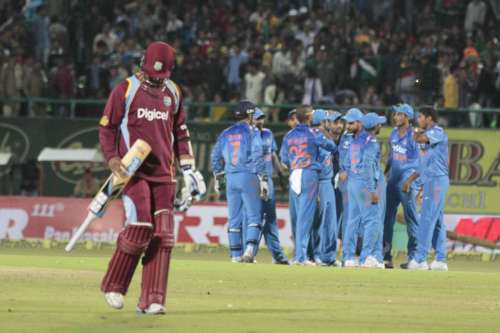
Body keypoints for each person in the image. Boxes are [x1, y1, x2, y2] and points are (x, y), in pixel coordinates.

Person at [98, 41, 206, 315]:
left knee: (164, 235)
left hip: (165, 174)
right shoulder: (125, 89)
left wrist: (189, 169)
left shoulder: (174, 92)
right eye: (152, 74)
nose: (156, 80)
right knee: (140, 227)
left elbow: (181, 132)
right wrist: (112, 159)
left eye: (161, 76)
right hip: (133, 173)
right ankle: (114, 285)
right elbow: (108, 128)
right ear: (142, 65)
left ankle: (152, 299)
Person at [210, 100, 268, 264]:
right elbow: (257, 154)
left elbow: (215, 156)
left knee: (234, 217)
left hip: (231, 177)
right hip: (247, 175)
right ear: (249, 115)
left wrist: (218, 175)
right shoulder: (253, 131)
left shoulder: (226, 132)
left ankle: (235, 255)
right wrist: (263, 177)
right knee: (253, 215)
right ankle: (249, 251)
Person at [280, 105, 336, 265]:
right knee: (305, 219)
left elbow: (284, 159)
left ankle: (299, 254)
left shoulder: (289, 135)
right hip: (308, 174)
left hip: (294, 174)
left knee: (297, 218)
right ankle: (301, 257)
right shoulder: (314, 133)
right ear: (309, 117)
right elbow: (331, 147)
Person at [405, 107, 450, 271]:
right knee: (437, 221)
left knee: (426, 218)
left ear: (429, 118)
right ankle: (440, 259)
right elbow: (423, 165)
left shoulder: (437, 131)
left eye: (421, 117)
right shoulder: (425, 137)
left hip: (437, 181)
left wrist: (414, 132)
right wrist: (417, 182)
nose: (418, 119)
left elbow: (420, 138)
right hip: (430, 181)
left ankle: (420, 259)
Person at [343, 111, 386, 268]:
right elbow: (368, 166)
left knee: (353, 221)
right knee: (372, 220)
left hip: (353, 181)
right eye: (379, 123)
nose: (381, 125)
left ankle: (347, 257)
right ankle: (366, 257)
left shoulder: (354, 140)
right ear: (375, 126)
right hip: (364, 184)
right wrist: (372, 190)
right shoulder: (371, 142)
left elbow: (347, 162)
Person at [383, 104, 420, 269]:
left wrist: (409, 181)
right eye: (395, 114)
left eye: (399, 114)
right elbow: (391, 156)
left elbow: (421, 163)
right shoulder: (393, 133)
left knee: (411, 218)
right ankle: (386, 256)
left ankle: (414, 257)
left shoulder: (415, 136)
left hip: (406, 181)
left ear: (407, 117)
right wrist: (385, 173)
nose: (395, 117)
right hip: (392, 180)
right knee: (387, 218)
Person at [250, 109, 289, 264]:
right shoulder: (247, 136)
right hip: (253, 182)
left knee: (270, 218)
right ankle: (249, 252)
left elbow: (273, 156)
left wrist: (280, 176)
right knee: (254, 218)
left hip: (268, 182)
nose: (260, 122)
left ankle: (277, 255)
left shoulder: (268, 134)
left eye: (262, 119)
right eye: (257, 119)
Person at [310, 109, 338, 266]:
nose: (331, 124)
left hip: (327, 182)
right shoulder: (314, 138)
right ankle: (317, 254)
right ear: (323, 122)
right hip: (318, 182)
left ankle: (328, 256)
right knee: (319, 222)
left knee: (330, 223)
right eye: (328, 121)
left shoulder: (325, 137)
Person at [337, 108, 363, 266]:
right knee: (349, 219)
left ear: (360, 123)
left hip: (362, 182)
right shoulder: (346, 137)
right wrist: (343, 170)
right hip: (348, 183)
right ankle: (347, 255)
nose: (347, 125)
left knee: (363, 220)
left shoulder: (366, 138)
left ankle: (362, 253)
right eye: (347, 122)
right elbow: (342, 157)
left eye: (351, 122)